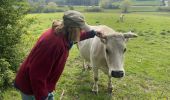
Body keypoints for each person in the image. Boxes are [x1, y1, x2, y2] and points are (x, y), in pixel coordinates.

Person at [14, 10, 104, 100]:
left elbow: (74, 38)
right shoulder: (53, 44)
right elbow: (36, 74)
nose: (82, 30)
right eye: (80, 28)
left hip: (44, 84)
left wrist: (93, 33)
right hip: (31, 88)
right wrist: (42, 97)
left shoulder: (62, 32)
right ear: (72, 29)